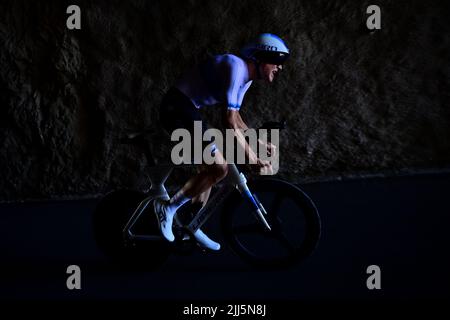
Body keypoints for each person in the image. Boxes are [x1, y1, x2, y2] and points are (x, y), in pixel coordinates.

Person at [155, 33, 290, 251]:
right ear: (261, 57)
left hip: (189, 109)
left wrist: (257, 142)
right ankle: (169, 208)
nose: (281, 67)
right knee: (219, 167)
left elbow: (237, 119)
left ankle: (191, 224)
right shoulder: (235, 67)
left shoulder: (247, 79)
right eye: (279, 61)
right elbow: (228, 121)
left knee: (210, 170)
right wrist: (251, 156)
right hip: (178, 107)